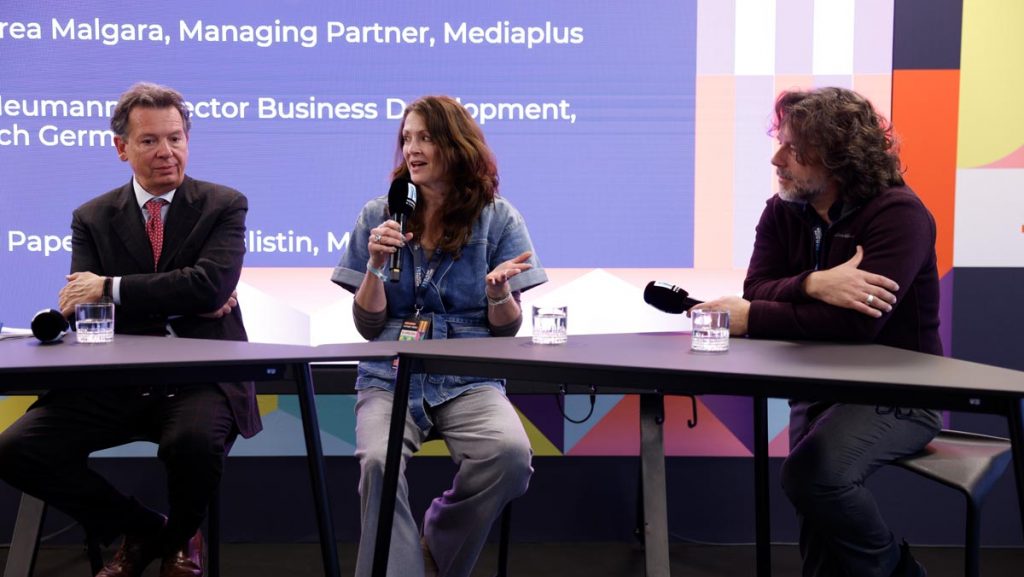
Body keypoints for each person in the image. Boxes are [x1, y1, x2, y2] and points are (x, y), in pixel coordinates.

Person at [0, 82, 260, 577]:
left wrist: (112, 287)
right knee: (16, 450)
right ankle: (146, 530)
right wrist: (170, 293)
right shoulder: (93, 217)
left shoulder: (223, 204)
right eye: (149, 141)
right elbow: (87, 303)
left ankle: (183, 542)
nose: (167, 152)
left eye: (176, 138)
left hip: (201, 374)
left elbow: (208, 288)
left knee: (193, 443)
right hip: (115, 376)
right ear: (121, 147)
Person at [694, 87, 942, 577]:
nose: (776, 157)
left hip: (901, 392)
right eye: (780, 142)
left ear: (838, 156)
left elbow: (854, 326)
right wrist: (815, 283)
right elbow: (756, 286)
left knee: (814, 477)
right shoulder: (783, 209)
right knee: (817, 521)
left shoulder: (899, 215)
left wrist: (754, 317)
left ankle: (901, 573)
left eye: (793, 147)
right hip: (819, 390)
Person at [332, 95, 547, 577]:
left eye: (425, 137)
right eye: (406, 138)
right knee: (376, 463)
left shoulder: (498, 217)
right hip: (391, 368)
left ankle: (431, 548)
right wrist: (374, 266)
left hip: (468, 370)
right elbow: (367, 326)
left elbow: (507, 328)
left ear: (456, 144)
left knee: (510, 457)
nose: (412, 148)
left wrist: (498, 294)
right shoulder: (379, 215)